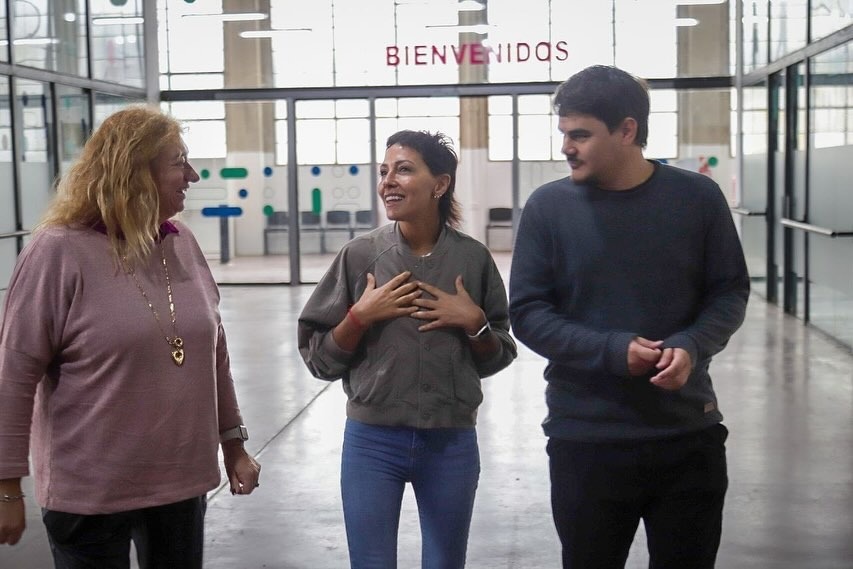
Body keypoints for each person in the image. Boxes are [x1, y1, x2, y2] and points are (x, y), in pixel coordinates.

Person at [508, 65, 750, 569]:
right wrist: (613, 351)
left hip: (687, 436)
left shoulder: (697, 199)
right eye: (564, 134)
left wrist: (692, 345)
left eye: (580, 134)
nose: (566, 147)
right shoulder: (547, 208)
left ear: (627, 130)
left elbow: (728, 292)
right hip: (586, 441)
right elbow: (528, 313)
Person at [0, 105, 261, 568]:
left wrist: (234, 445)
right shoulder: (58, 250)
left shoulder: (180, 241)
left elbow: (213, 356)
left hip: (180, 485)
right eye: (179, 161)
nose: (194, 175)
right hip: (90, 494)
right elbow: (15, 373)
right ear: (134, 171)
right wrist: (5, 486)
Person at [298, 130, 517, 568]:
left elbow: (498, 355)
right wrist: (359, 317)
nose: (388, 183)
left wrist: (475, 323)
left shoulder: (472, 261)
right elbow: (318, 358)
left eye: (403, 170)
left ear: (440, 184)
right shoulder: (360, 257)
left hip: (451, 441)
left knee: (444, 562)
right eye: (384, 172)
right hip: (372, 443)